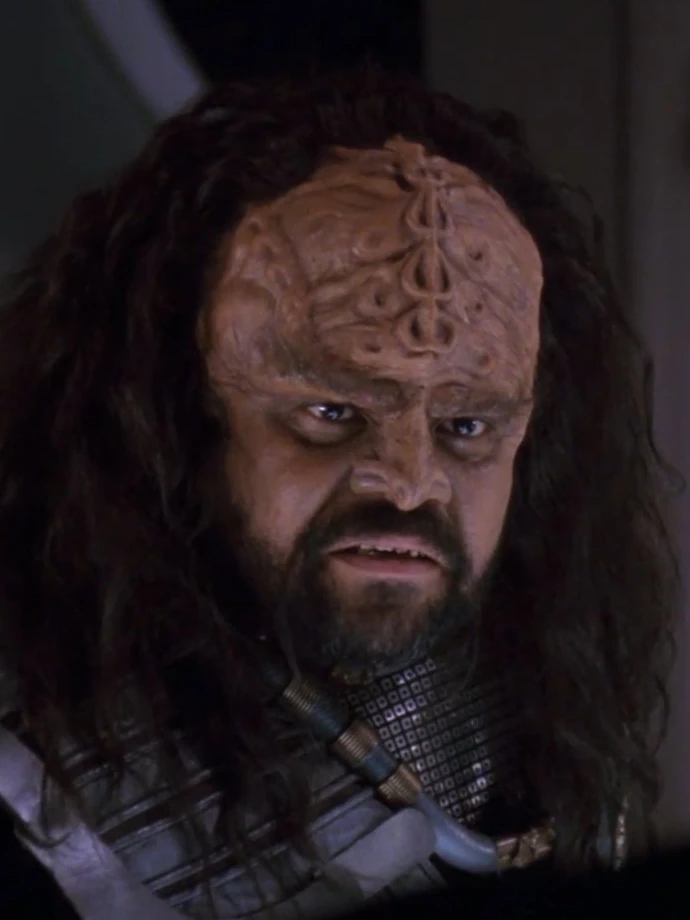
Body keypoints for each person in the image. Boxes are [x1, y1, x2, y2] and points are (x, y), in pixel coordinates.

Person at [0, 65, 677, 919]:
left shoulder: (540, 741)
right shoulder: (40, 785)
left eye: (466, 425)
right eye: (331, 412)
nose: (410, 482)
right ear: (174, 417)